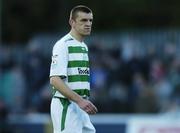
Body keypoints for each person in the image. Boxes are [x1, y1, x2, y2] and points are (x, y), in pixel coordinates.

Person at [49, 5, 98, 133]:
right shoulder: (62, 45)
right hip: (66, 105)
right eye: (83, 20)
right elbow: (55, 80)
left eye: (90, 20)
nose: (88, 24)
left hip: (80, 106)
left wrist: (82, 101)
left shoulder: (84, 46)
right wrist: (80, 101)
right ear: (72, 22)